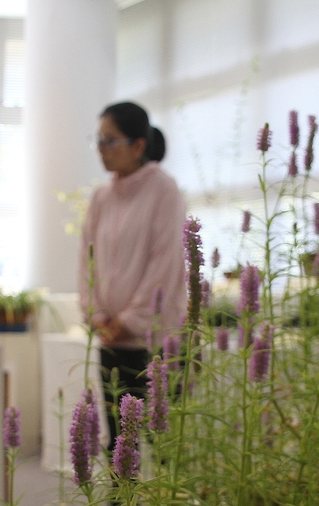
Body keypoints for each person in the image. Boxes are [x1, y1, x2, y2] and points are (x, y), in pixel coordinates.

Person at [78, 101, 187, 455]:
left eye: (110, 141)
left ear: (138, 145)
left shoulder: (164, 190)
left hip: (153, 342)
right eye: (98, 140)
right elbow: (86, 262)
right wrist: (95, 315)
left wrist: (129, 321)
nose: (101, 149)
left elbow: (165, 263)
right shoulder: (101, 197)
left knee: (160, 442)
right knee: (118, 441)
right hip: (110, 339)